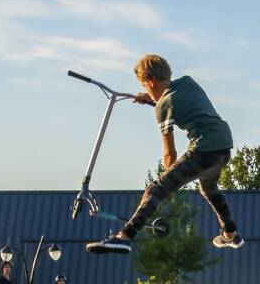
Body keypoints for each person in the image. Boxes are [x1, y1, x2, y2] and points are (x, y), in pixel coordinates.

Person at [87, 54, 243, 254]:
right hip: (223, 146)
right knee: (209, 189)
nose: (146, 91)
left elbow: (170, 152)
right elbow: (180, 103)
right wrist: (150, 99)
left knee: (155, 189)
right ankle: (230, 235)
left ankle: (124, 237)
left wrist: (169, 182)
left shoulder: (163, 107)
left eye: (145, 86)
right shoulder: (188, 83)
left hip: (203, 148)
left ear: (150, 82)